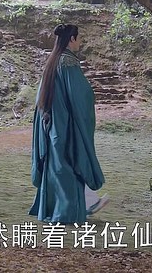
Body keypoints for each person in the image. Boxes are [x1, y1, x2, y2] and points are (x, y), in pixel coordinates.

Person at [29, 24, 107, 224]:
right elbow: (81, 94)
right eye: (79, 38)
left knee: (56, 166)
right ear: (72, 39)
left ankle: (63, 206)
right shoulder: (68, 62)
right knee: (69, 164)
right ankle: (66, 211)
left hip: (51, 123)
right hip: (65, 124)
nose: (80, 42)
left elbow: (41, 97)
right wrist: (90, 97)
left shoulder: (53, 61)